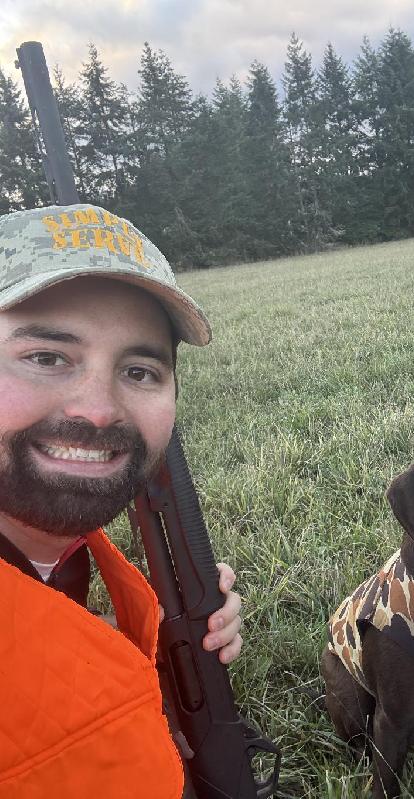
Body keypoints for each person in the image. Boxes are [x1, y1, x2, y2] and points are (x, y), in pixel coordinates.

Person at [0, 204, 242, 798]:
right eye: (46, 357)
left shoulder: (50, 547)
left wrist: (136, 643)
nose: (99, 409)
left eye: (139, 371)